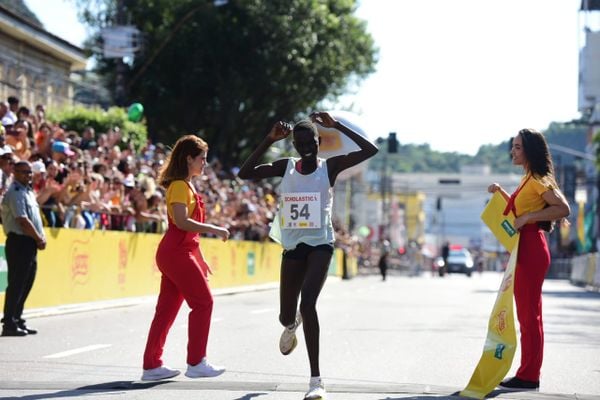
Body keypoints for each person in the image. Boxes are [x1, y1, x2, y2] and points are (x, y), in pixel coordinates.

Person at [238, 111, 378, 399]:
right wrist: (268, 138)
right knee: (285, 315)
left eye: (310, 142)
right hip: (293, 246)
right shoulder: (286, 166)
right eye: (299, 143)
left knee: (308, 303)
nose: (305, 147)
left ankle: (316, 380)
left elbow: (370, 150)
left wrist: (336, 125)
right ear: (295, 146)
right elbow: (245, 172)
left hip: (320, 244)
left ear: (318, 142)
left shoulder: (330, 167)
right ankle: (291, 325)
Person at [141, 135, 230, 381]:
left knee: (166, 311)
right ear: (189, 158)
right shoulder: (180, 185)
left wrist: (199, 259)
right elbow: (181, 222)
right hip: (176, 252)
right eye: (202, 158)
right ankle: (196, 362)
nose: (205, 163)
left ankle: (151, 366)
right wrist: (216, 228)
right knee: (204, 303)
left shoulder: (187, 185)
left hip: (179, 251)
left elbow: (189, 231)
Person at [487, 128, 570, 391]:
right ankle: (528, 371)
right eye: (513, 146)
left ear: (530, 150)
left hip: (532, 247)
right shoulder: (527, 179)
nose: (513, 151)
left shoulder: (538, 179)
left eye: (518, 147)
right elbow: (517, 212)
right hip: (525, 247)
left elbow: (563, 208)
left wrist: (527, 219)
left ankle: (529, 375)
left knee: (529, 314)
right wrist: (501, 192)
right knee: (528, 314)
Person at [1, 161, 46, 336]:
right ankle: (9, 323)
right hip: (20, 241)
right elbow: (22, 220)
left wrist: (38, 238)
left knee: (26, 282)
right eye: (23, 172)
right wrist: (38, 238)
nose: (27, 175)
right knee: (17, 284)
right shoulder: (16, 192)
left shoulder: (28, 192)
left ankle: (17, 318)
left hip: (29, 242)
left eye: (29, 173)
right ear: (14, 172)